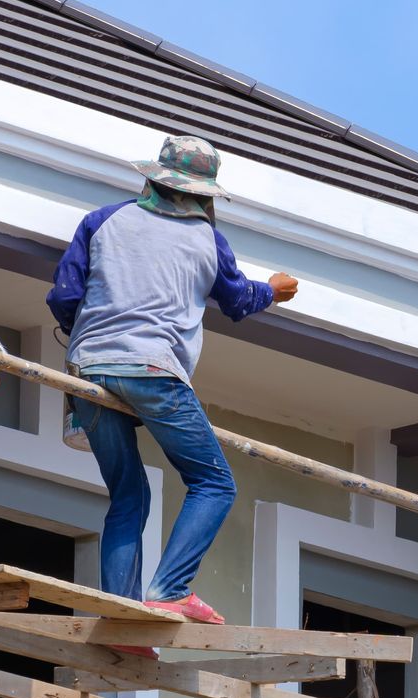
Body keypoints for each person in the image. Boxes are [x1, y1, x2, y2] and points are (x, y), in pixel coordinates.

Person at [46, 135, 298, 641]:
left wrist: (97, 340)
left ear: (152, 180)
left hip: (89, 369)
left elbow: (64, 297)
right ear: (204, 196)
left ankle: (121, 618)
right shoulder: (209, 240)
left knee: (128, 494)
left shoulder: (103, 221)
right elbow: (238, 300)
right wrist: (275, 289)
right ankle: (171, 589)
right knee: (215, 483)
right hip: (156, 372)